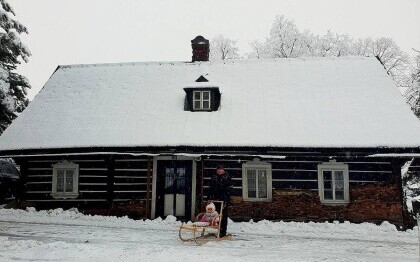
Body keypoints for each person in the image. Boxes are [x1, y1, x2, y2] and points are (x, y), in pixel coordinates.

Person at [209, 164, 232, 237]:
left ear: (223, 170)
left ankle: (223, 232)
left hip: (224, 199)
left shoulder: (227, 177)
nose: (219, 170)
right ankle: (218, 230)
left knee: (223, 215)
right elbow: (210, 188)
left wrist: (226, 197)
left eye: (221, 169)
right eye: (218, 169)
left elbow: (230, 189)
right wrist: (209, 197)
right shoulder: (213, 177)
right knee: (216, 215)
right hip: (215, 199)